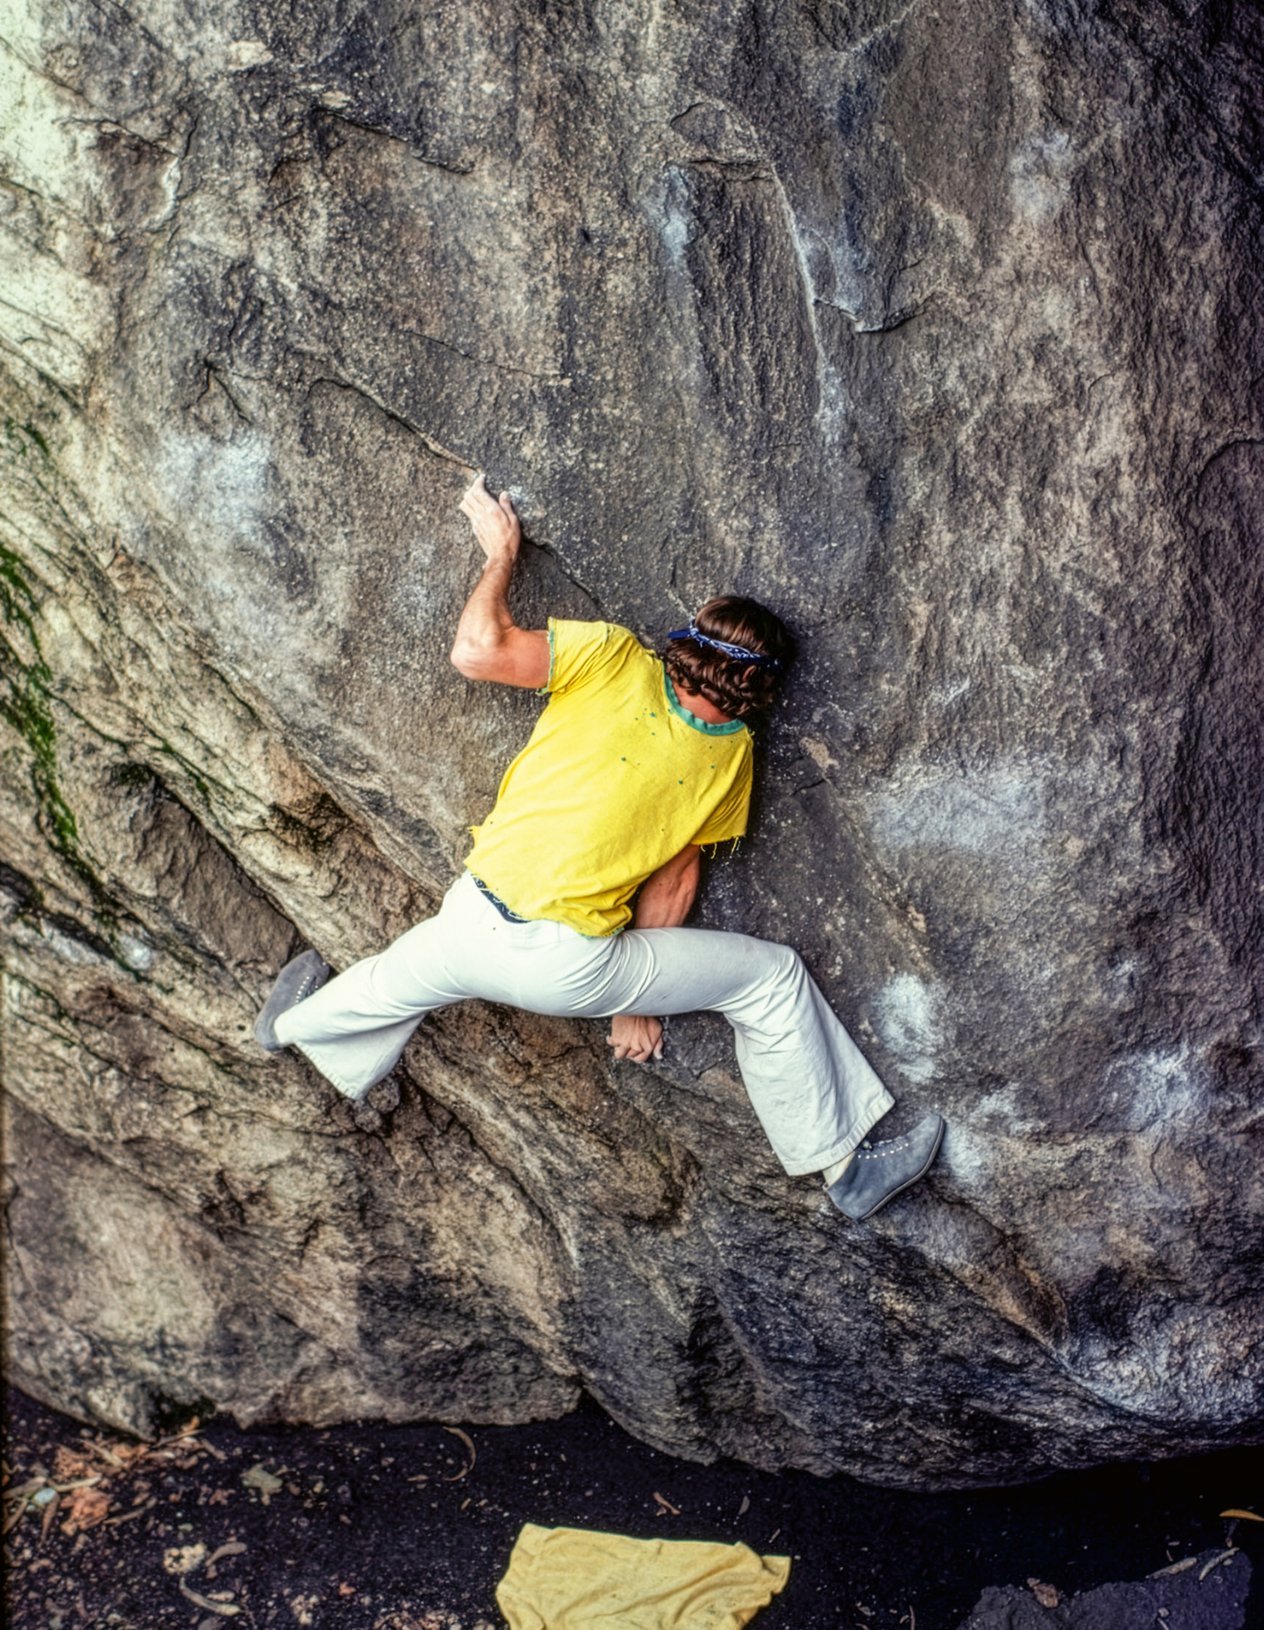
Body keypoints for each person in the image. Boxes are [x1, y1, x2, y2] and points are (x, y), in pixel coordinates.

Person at [255, 476, 944, 1219]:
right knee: (770, 982)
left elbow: (475, 652)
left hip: (469, 917)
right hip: (568, 968)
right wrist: (630, 1000)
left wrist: (502, 554)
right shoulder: (733, 754)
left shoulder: (615, 658)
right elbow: (675, 878)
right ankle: (843, 1167)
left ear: (690, 635)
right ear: (759, 689)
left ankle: (289, 1028)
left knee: (401, 978)